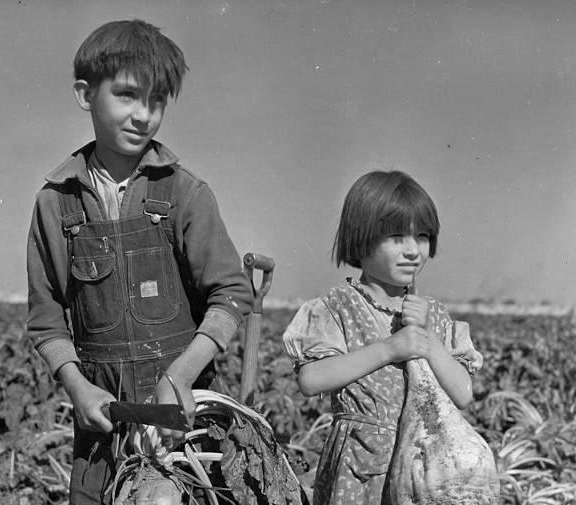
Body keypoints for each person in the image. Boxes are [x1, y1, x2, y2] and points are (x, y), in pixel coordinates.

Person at [26, 19, 253, 504]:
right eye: (127, 95)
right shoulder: (55, 204)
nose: (143, 116)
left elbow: (232, 294)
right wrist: (78, 389)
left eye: (156, 101)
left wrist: (180, 376)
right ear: (85, 94)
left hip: (183, 415)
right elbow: (46, 321)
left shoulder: (186, 192)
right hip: (103, 421)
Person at [282, 170, 484, 505]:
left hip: (422, 471)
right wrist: (391, 349)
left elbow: (463, 394)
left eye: (421, 236)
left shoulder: (433, 314)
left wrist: (428, 340)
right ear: (360, 239)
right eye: (396, 237)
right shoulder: (337, 307)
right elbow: (311, 379)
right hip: (360, 471)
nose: (413, 250)